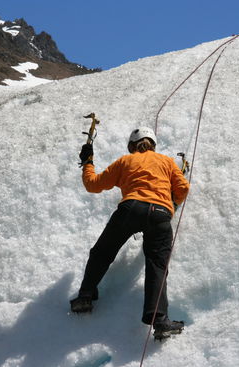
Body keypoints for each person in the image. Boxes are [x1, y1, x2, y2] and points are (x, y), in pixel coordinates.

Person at [71, 126, 190, 337]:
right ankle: (159, 319)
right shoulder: (167, 162)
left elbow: (93, 184)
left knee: (102, 252)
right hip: (160, 214)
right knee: (157, 265)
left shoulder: (125, 161)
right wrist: (171, 203)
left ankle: (85, 296)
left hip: (130, 209)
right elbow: (183, 189)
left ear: (131, 146)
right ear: (153, 144)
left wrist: (88, 162)